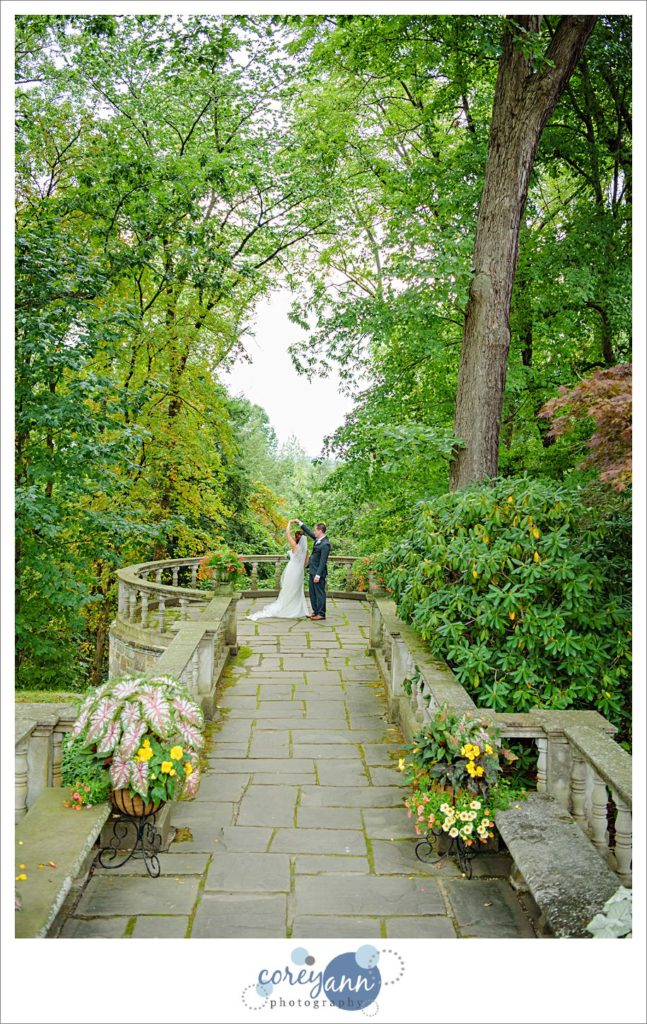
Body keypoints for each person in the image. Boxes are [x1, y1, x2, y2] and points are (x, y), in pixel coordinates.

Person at [247, 521, 309, 621]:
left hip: (292, 569)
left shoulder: (295, 546)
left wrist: (289, 523)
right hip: (299, 571)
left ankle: (286, 607)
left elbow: (287, 533)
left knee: (288, 588)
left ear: (296, 537)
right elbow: (306, 563)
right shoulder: (306, 550)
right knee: (297, 590)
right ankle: (296, 609)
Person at [297, 520, 330, 621]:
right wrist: (300, 523)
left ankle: (321, 613)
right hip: (312, 570)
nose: (314, 532)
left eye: (315, 530)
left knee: (320, 593)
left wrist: (318, 575)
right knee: (312, 593)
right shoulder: (318, 539)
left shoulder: (325, 544)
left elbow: (323, 561)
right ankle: (315, 612)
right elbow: (309, 532)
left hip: (318, 573)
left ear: (320, 530)